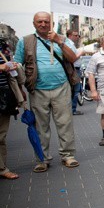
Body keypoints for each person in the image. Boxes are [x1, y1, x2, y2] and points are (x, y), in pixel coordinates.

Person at [14, 11, 79, 172]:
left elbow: (73, 58)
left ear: (52, 23)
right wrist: (20, 88)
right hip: (38, 90)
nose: (43, 24)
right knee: (40, 126)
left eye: (46, 21)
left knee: (65, 123)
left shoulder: (62, 39)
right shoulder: (25, 41)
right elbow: (17, 64)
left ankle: (68, 155)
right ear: (34, 23)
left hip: (61, 87)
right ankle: (42, 159)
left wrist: (59, 41)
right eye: (39, 22)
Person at [0, 42, 24, 179]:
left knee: (1, 136)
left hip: (4, 96)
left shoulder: (2, 48)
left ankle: (2, 168)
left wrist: (11, 66)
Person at [65, 29, 84, 115]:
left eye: (78, 35)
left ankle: (71, 109)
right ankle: (72, 109)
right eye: (75, 35)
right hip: (74, 69)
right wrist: (81, 53)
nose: (77, 37)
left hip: (75, 69)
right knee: (75, 90)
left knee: (75, 90)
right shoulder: (69, 44)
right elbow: (72, 58)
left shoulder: (71, 44)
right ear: (69, 36)